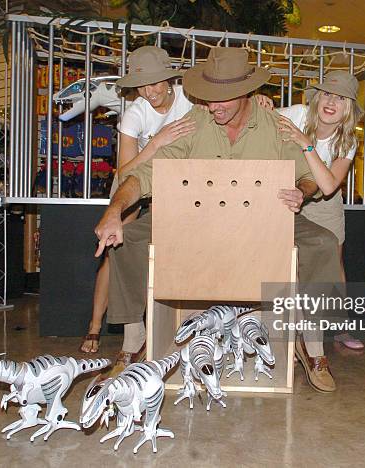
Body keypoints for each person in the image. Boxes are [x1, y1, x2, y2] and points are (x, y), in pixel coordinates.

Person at [94, 47, 343, 393]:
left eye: (223, 98)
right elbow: (144, 176)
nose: (214, 106)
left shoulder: (275, 125)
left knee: (323, 243)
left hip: (265, 217)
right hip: (195, 219)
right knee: (129, 239)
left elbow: (309, 176)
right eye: (210, 98)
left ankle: (311, 345)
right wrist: (113, 211)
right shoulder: (194, 122)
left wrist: (301, 190)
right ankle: (134, 340)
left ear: (246, 93)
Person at [80, 46, 196, 354]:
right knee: (114, 244)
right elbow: (124, 170)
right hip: (135, 177)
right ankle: (94, 326)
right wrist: (156, 142)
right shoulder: (135, 112)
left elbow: (228, 106)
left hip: (174, 182)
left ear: (169, 80)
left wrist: (260, 101)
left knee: (170, 243)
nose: (150, 90)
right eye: (143, 84)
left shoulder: (191, 97)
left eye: (157, 82)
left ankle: (169, 324)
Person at [278, 70, 365, 351]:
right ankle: (293, 327)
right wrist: (262, 105)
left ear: (348, 109)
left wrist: (306, 144)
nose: (332, 102)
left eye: (341, 98)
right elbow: (256, 120)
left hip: (324, 204)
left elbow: (328, 186)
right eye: (327, 93)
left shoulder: (347, 141)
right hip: (287, 192)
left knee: (333, 261)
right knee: (288, 261)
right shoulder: (296, 114)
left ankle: (339, 326)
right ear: (317, 98)